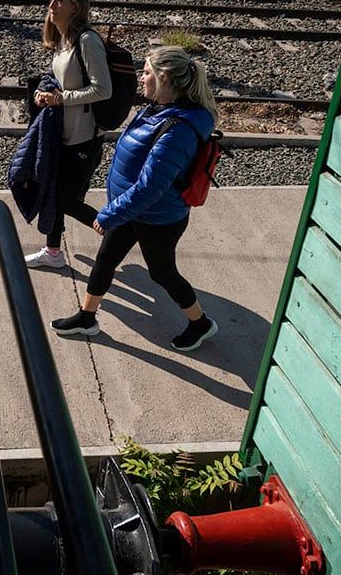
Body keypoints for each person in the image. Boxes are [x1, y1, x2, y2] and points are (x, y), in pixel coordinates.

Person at [50, 46, 219, 352]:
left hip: (158, 217)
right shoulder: (157, 108)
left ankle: (201, 323)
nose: (142, 78)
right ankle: (87, 318)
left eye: (147, 73)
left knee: (162, 272)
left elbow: (151, 187)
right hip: (132, 208)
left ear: (165, 78)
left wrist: (110, 214)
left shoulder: (178, 129)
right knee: (105, 260)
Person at [23, 0, 113, 270]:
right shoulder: (64, 39)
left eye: (59, 0)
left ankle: (115, 233)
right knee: (54, 190)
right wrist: (44, 91)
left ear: (76, 7)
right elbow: (59, 78)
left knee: (66, 200)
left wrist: (60, 99)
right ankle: (53, 252)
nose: (51, 6)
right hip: (63, 133)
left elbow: (103, 90)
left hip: (84, 138)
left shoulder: (87, 41)